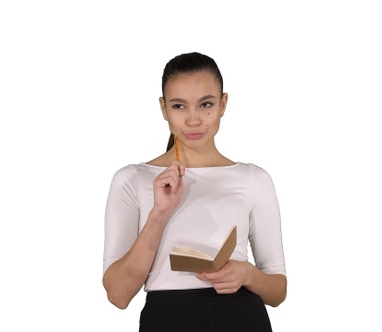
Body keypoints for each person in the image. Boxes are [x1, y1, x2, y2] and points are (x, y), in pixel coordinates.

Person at [102, 52, 287, 331]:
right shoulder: (132, 179)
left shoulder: (253, 179)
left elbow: (278, 290)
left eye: (206, 104)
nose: (193, 120)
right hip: (167, 321)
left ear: (223, 104)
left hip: (241, 317)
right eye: (179, 106)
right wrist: (159, 213)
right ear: (163, 108)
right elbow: (118, 295)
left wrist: (246, 274)